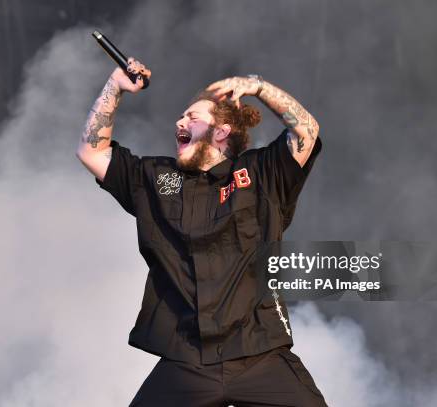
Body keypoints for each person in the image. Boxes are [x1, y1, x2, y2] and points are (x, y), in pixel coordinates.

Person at [76, 57, 328, 407]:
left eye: (192, 117)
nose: (180, 122)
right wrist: (115, 85)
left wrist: (258, 87)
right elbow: (91, 151)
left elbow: (306, 131)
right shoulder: (156, 179)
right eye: (181, 117)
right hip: (186, 359)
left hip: (258, 353)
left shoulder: (261, 173)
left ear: (222, 131)